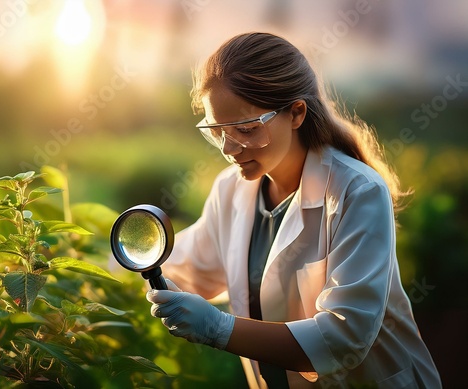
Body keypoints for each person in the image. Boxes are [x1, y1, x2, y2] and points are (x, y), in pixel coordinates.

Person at [146, 32, 442, 388]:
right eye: (216, 131)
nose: (229, 148)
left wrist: (218, 328)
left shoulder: (357, 192)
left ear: (296, 113)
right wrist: (110, 254)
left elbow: (343, 336)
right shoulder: (231, 190)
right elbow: (186, 266)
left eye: (244, 129)